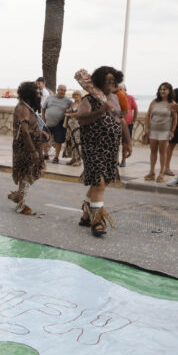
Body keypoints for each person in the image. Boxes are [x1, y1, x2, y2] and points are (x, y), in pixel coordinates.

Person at [75, 66, 132, 237]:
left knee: (99, 182)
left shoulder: (114, 98)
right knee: (99, 183)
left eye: (113, 80)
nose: (111, 83)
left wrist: (127, 141)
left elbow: (120, 120)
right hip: (93, 146)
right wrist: (101, 110)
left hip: (111, 147)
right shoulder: (89, 99)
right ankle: (97, 221)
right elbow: (81, 120)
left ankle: (86, 216)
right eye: (107, 80)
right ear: (99, 81)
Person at [9, 81, 47, 215]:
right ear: (29, 94)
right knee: (29, 174)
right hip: (25, 147)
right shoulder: (23, 108)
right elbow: (24, 132)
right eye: (36, 92)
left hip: (30, 146)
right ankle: (21, 203)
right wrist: (33, 151)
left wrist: (40, 132)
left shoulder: (27, 107)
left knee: (29, 173)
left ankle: (19, 196)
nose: (39, 94)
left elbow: (29, 128)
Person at [143, 82, 177, 182]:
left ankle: (161, 172)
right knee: (153, 152)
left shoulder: (172, 104)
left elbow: (175, 119)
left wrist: (172, 131)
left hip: (165, 131)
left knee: (163, 152)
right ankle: (151, 172)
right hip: (153, 130)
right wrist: (147, 129)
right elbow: (148, 115)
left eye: (164, 89)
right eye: (161, 89)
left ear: (169, 91)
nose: (162, 91)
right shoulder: (154, 102)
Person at [41, 84, 72, 163]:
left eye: (64, 90)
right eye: (61, 89)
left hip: (59, 124)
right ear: (57, 90)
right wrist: (43, 119)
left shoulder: (68, 101)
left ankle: (56, 157)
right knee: (44, 139)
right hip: (47, 123)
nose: (63, 91)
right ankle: (45, 154)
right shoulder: (50, 98)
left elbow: (74, 108)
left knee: (59, 141)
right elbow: (43, 108)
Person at [119, 85, 138, 167]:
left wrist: (133, 120)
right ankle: (115, 161)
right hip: (116, 123)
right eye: (118, 89)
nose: (119, 91)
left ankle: (123, 160)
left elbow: (136, 109)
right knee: (115, 143)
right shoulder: (115, 97)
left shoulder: (130, 98)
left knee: (125, 143)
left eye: (121, 89)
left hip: (127, 124)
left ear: (125, 90)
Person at [63, 90, 83, 166]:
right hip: (70, 124)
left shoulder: (82, 103)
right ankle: (73, 158)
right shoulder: (73, 103)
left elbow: (80, 113)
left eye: (77, 94)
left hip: (78, 125)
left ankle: (78, 159)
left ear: (81, 95)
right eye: (74, 94)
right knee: (70, 140)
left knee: (77, 141)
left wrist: (69, 114)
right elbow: (70, 112)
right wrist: (68, 111)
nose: (76, 96)